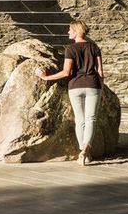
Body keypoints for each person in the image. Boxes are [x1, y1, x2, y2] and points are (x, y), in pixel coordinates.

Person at [37, 21, 104, 165]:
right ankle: (86, 149)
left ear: (76, 31)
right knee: (91, 119)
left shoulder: (70, 49)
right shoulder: (94, 47)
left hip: (75, 86)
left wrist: (46, 77)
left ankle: (82, 152)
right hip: (93, 86)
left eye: (69, 30)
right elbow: (100, 72)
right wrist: (101, 88)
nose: (68, 32)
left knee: (80, 120)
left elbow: (66, 72)